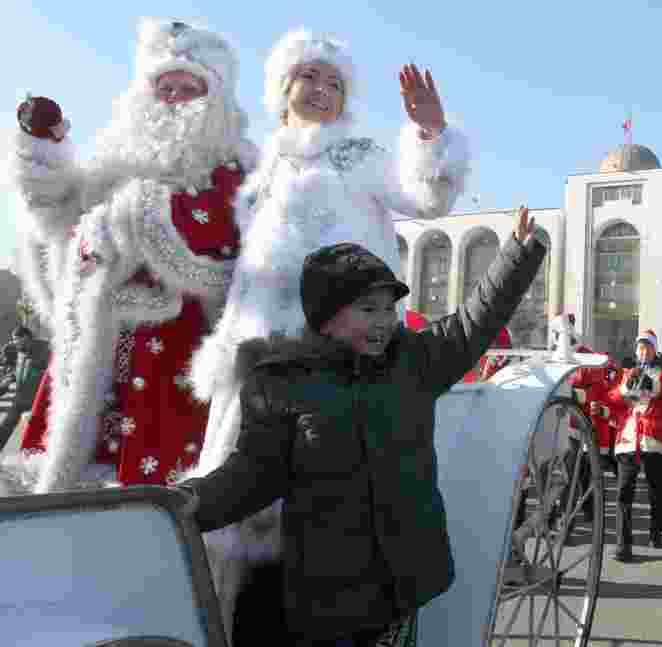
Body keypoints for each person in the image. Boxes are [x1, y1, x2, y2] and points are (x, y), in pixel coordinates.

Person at [181, 28, 471, 639]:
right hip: (258, 357)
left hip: (339, 355)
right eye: (310, 77)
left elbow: (425, 196)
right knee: (240, 503)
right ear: (284, 86)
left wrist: (429, 134)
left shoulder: (360, 150)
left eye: (334, 83)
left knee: (320, 507)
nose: (321, 90)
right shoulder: (264, 168)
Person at [178, 207, 544, 646]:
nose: (384, 322)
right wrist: (189, 503)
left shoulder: (414, 361)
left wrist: (516, 256)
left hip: (408, 581)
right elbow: (249, 476)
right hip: (330, 597)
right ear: (327, 318)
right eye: (368, 310)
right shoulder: (281, 384)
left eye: (389, 309)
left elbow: (472, 323)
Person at [4, 19, 256, 494]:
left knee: (166, 493)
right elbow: (58, 215)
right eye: (165, 86)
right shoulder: (115, 155)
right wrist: (45, 149)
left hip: (179, 349)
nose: (176, 97)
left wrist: (128, 217)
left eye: (189, 87)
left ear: (214, 98)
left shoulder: (235, 166)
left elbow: (214, 231)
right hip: (96, 344)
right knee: (73, 484)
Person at [606, 329, 662, 560]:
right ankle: (623, 544)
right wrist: (625, 388)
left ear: (654, 349)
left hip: (655, 438)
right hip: (629, 437)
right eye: (640, 346)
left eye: (647, 346)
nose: (643, 351)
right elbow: (612, 399)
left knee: (656, 490)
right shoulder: (626, 371)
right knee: (623, 492)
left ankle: (656, 532)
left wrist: (655, 387)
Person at [0, 327, 49, 449]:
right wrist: (10, 378)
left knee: (36, 431)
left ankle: (35, 456)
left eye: (16, 339)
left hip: (37, 399)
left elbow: (49, 371)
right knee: (6, 426)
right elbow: (19, 370)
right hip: (21, 397)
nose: (14, 342)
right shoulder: (21, 351)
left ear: (26, 337)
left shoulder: (44, 349)